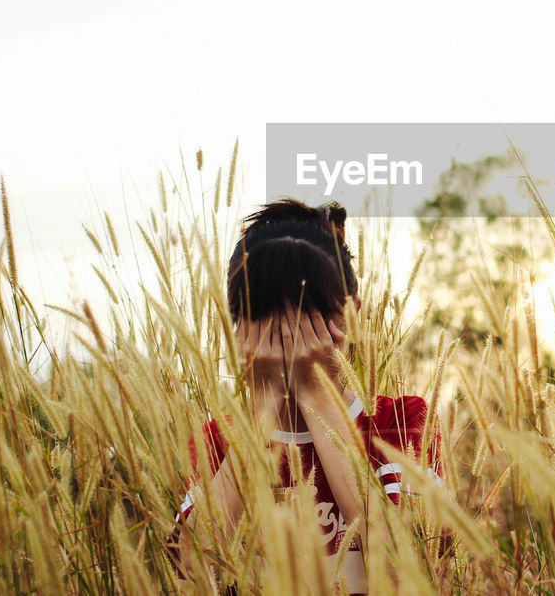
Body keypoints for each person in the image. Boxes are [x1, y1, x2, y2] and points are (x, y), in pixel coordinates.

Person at [166, 199, 442, 593]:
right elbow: (190, 575)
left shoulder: (401, 422)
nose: (291, 340)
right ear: (238, 329)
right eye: (266, 319)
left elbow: (408, 573)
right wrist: (261, 407)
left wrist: (315, 393)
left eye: (309, 318)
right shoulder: (217, 441)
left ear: (352, 317)